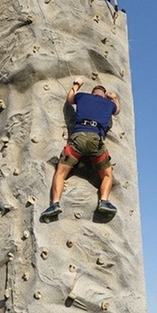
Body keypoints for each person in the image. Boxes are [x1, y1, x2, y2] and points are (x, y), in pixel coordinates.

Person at [40, 77, 121, 222]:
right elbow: (117, 111)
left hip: (78, 138)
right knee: (107, 175)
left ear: (93, 93)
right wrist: (114, 98)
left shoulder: (83, 96)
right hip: (96, 141)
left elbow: (70, 99)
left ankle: (55, 204)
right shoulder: (108, 104)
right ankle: (104, 201)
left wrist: (76, 85)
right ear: (104, 95)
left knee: (60, 173)